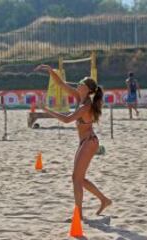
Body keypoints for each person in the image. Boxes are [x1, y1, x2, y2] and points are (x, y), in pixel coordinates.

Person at [34, 64, 112, 219]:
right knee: (78, 178)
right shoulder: (79, 97)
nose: (78, 84)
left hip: (89, 142)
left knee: (76, 179)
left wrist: (47, 110)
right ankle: (104, 200)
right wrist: (51, 71)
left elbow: (66, 119)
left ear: (88, 89)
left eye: (82, 83)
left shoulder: (85, 105)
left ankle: (79, 215)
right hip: (86, 142)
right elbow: (61, 84)